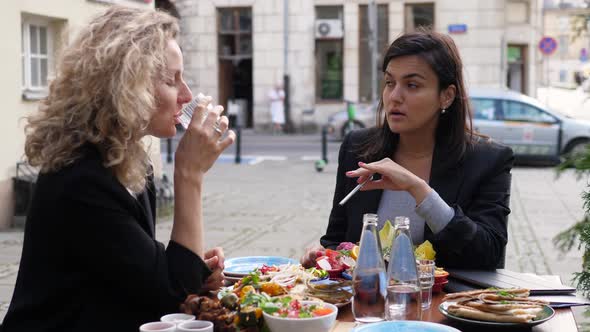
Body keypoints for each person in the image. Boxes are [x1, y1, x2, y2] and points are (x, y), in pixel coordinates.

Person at [2, 6, 235, 331]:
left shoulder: (129, 160)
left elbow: (147, 279)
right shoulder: (79, 178)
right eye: (171, 80)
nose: (186, 96)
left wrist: (192, 269)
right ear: (128, 88)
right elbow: (172, 292)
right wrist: (189, 174)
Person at [301, 30, 514, 270]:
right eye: (390, 82)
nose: (394, 96)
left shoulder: (487, 160)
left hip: (442, 304)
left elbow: (489, 254)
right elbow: (338, 240)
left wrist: (419, 190)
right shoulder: (358, 149)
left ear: (446, 96)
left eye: (412, 85)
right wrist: (322, 255)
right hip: (367, 301)